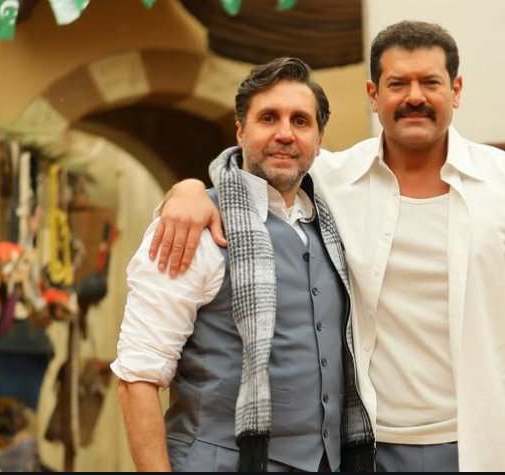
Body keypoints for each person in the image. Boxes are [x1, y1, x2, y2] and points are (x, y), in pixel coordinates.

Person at [151, 21, 505, 472]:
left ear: (455, 90)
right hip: (366, 450)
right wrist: (189, 192)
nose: (414, 96)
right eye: (397, 84)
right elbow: (255, 172)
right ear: (373, 96)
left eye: (430, 82)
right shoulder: (331, 180)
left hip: (488, 445)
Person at [111, 57, 375, 472]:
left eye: (300, 121)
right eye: (268, 118)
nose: (285, 133)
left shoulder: (333, 223)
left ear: (319, 139)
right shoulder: (194, 226)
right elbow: (137, 377)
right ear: (240, 131)